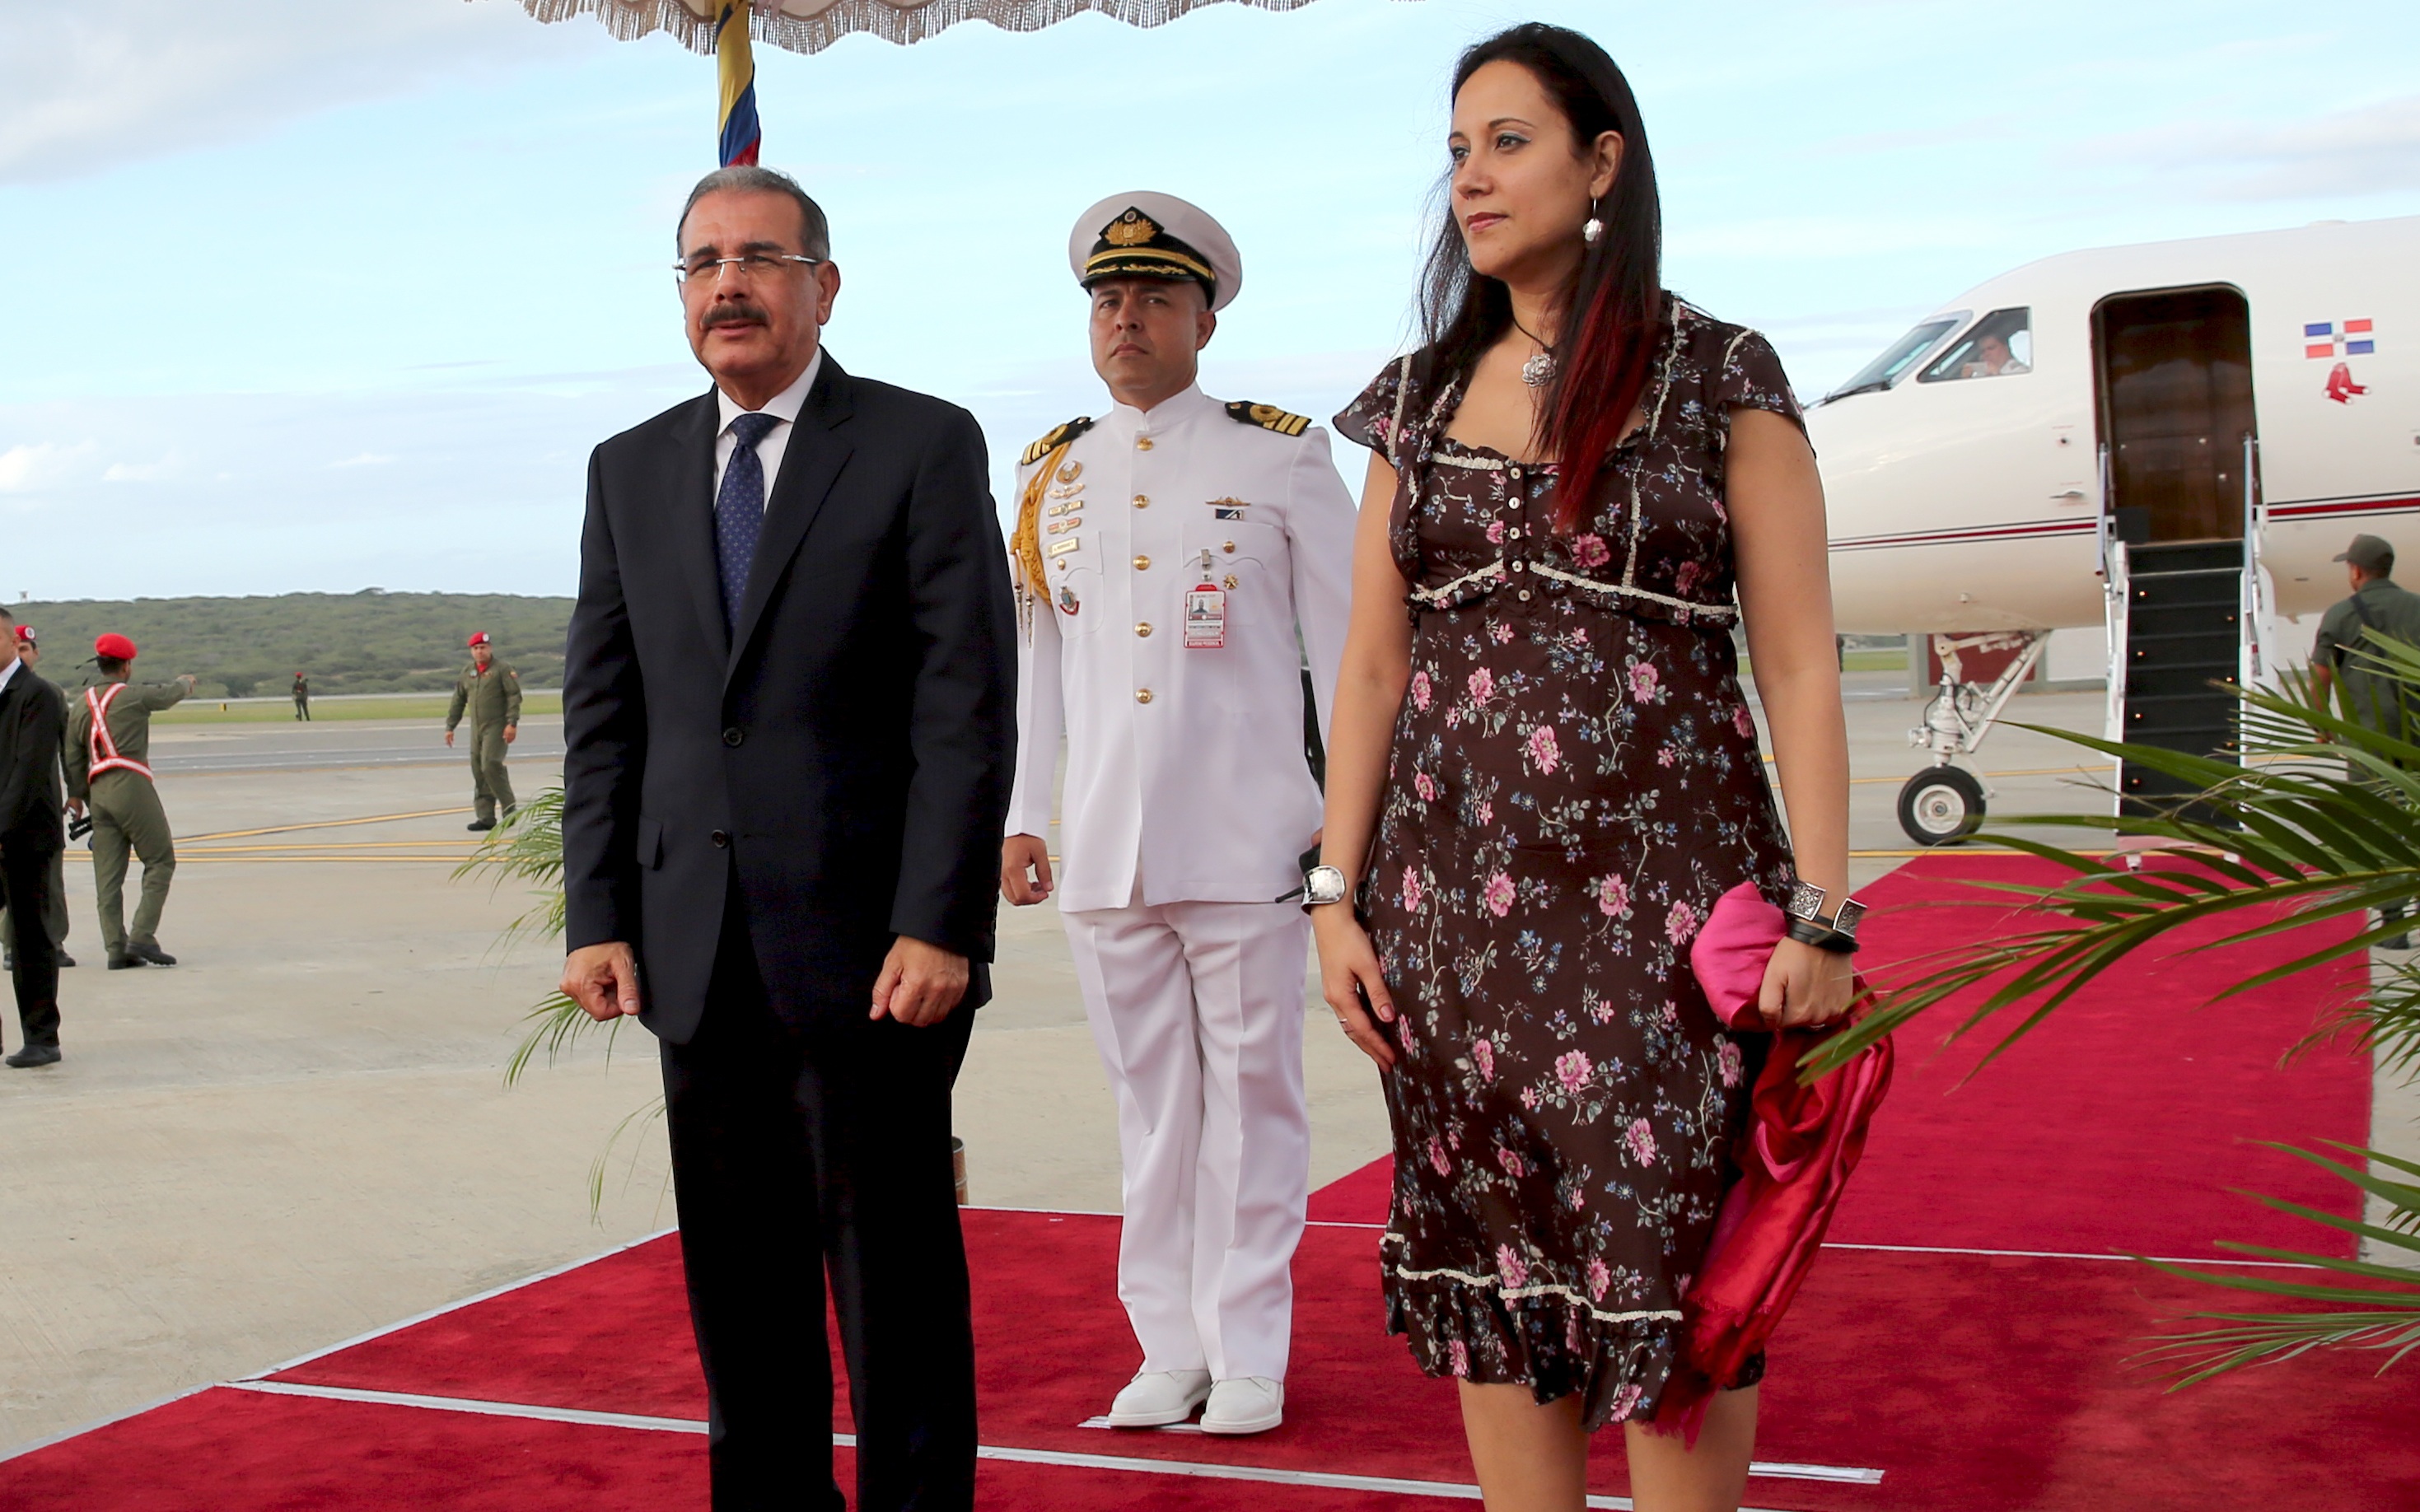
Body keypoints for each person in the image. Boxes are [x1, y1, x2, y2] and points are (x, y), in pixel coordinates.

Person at [1308, 27, 1857, 1512]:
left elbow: (1797, 662)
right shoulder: (1411, 399)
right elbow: (1371, 667)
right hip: (1449, 931)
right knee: (1494, 1278)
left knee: (1671, 1285)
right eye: (1456, 150)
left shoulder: (1717, 373)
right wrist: (1333, 898)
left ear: (1601, 161)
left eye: (1507, 142)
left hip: (1664, 930)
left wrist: (1821, 915)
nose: (1470, 178)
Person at [558, 164, 1014, 1512]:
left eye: (759, 258)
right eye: (703, 263)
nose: (728, 286)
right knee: (739, 1288)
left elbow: (965, 705)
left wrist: (940, 920)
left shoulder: (920, 444)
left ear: (824, 285)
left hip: (874, 955)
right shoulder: (629, 468)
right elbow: (604, 713)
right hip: (692, 951)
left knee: (893, 1284)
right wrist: (598, 914)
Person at [998, 192, 1357, 1436]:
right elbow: (1036, 658)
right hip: (1106, 845)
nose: (1127, 320)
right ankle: (1169, 1346)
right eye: (1108, 300)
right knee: (1149, 1111)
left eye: (1155, 298)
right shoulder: (1052, 474)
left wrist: (1349, 828)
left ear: (1205, 320)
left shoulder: (1279, 457)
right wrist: (1023, 811)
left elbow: (1350, 654)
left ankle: (1247, 1349)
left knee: (1253, 1105)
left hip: (1249, 836)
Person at [2309, 532, 2420, 948]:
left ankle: (2393, 924)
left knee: (2379, 824)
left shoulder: (2341, 614)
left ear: (2356, 570)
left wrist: (2320, 724)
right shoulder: (2417, 606)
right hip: (2417, 734)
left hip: (2369, 740)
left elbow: (2320, 676)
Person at [63, 633, 192, 971]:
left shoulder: (81, 705)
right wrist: (186, 683)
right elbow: (168, 695)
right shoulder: (132, 697)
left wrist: (77, 794)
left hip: (98, 792)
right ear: (126, 666)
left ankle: (116, 949)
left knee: (108, 879)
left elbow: (72, 755)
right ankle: (143, 935)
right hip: (130, 784)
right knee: (160, 860)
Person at [0, 604, 68, 1068]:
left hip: (26, 836)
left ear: (13, 642)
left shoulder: (37, 694)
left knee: (30, 938)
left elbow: (29, 769)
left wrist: (1, 829)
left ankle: (42, 1038)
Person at [1, 624, 73, 972]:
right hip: (7, 806)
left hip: (40, 802)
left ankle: (53, 940)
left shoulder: (47, 694)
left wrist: (76, 790)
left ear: (35, 652)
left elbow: (67, 748)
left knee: (49, 881)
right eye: (20, 648)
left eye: (28, 649)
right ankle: (11, 945)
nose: (24, 655)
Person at [445, 632, 521, 831]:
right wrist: (450, 726)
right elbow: (458, 700)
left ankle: (510, 810)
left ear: (490, 648)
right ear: (472, 651)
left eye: (483, 647)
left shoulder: (502, 669)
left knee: (491, 764)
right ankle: (486, 817)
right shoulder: (468, 672)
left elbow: (514, 696)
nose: (480, 651)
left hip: (497, 725)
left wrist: (512, 723)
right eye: (476, 648)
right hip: (476, 727)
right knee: (478, 768)